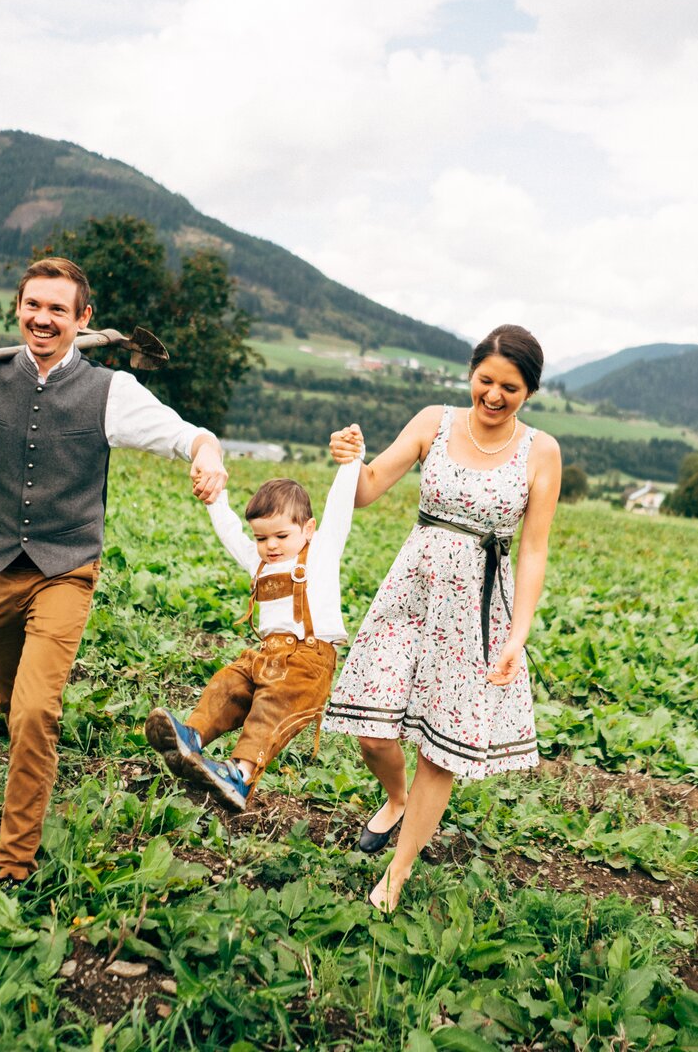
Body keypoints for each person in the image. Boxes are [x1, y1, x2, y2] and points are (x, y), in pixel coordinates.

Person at [0, 257, 227, 886]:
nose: (43, 319)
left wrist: (208, 456)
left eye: (58, 309)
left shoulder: (112, 391)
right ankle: (19, 744)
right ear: (18, 309)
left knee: (33, 712)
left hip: (66, 570)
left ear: (83, 319)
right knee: (9, 703)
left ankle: (13, 865)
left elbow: (190, 436)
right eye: (34, 306)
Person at [323, 325, 561, 912]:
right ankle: (396, 798)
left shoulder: (542, 452)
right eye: (486, 380)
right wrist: (350, 461)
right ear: (472, 374)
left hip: (477, 610)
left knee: (439, 748)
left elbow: (533, 549)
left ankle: (397, 874)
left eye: (510, 386)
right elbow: (369, 488)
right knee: (374, 730)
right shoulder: (434, 421)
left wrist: (518, 631)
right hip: (411, 592)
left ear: (528, 390)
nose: (495, 395)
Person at [145, 443, 363, 811]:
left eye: (281, 536)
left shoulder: (321, 552)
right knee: (226, 685)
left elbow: (340, 509)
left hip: (307, 660)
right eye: (262, 538)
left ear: (308, 529)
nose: (270, 546)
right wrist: (214, 496)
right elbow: (230, 530)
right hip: (266, 654)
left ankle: (240, 776)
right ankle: (191, 737)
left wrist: (351, 462)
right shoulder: (257, 561)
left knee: (270, 711)